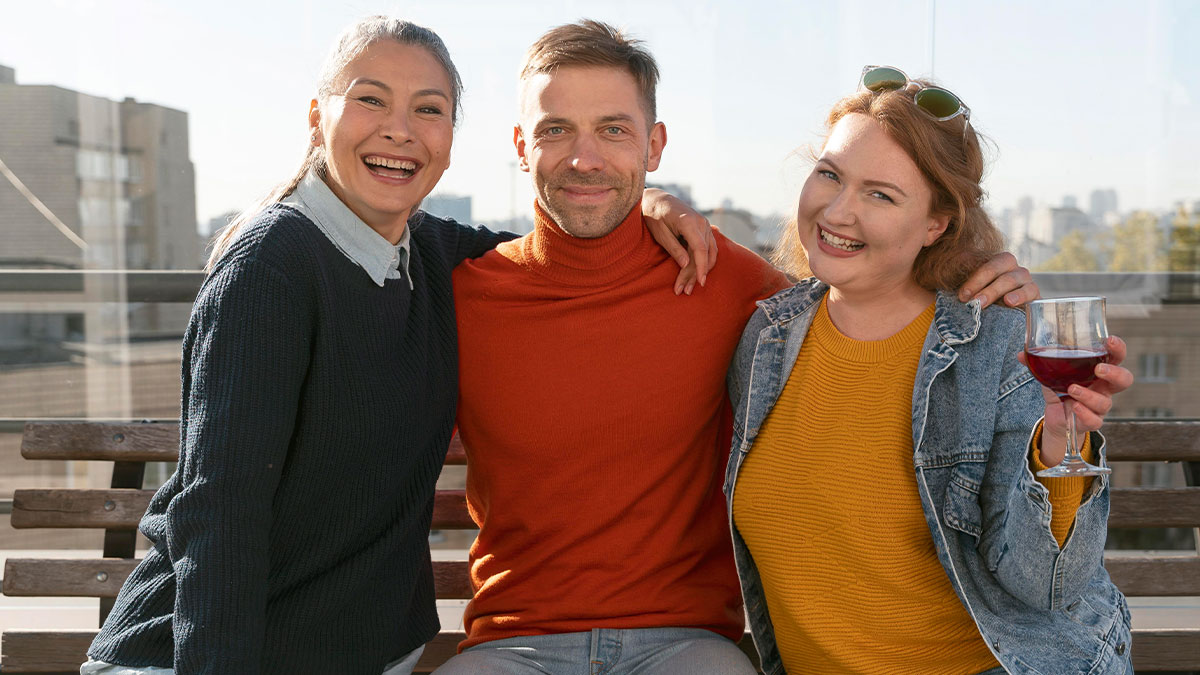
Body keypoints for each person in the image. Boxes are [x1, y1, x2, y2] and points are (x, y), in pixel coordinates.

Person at [81, 16, 711, 675]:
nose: (399, 129)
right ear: (317, 118)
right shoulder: (272, 266)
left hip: (360, 653)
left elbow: (562, 241)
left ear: (447, 141)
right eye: (370, 98)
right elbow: (220, 512)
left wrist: (647, 202)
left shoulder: (431, 255)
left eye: (428, 109)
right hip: (200, 656)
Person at [439, 24, 1039, 675]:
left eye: (613, 129)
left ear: (654, 144)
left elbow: (870, 293)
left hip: (685, 642)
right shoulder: (462, 297)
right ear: (521, 145)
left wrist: (978, 279)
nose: (585, 157)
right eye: (556, 129)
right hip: (514, 642)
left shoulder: (732, 284)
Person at [725, 66, 1135, 674]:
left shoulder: (994, 341)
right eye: (830, 175)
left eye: (880, 195)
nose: (838, 211)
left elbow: (1049, 586)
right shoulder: (767, 339)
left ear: (936, 224)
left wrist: (1061, 443)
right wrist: (656, 200)